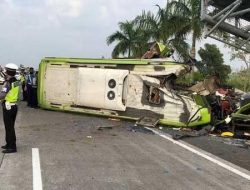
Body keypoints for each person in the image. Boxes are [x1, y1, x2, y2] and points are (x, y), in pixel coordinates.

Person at [0, 63, 20, 153]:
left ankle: (12, 147)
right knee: (10, 127)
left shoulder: (8, 83)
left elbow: (2, 95)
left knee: (9, 128)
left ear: (8, 71)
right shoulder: (16, 81)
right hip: (13, 106)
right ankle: (9, 143)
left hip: (8, 107)